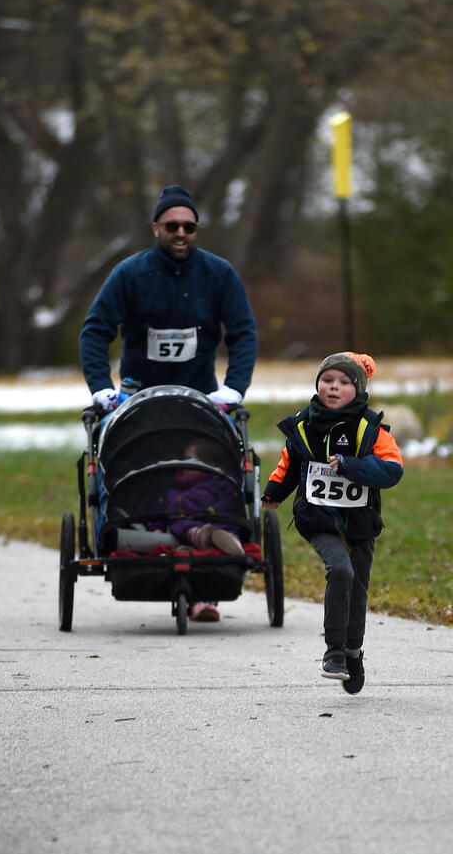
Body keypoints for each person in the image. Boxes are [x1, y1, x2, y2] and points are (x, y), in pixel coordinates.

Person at [80, 184, 258, 621]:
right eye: (172, 225)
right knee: (134, 469)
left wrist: (233, 389)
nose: (181, 233)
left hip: (201, 400)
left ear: (196, 229)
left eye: (189, 226)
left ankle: (208, 586)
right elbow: (95, 330)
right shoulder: (129, 274)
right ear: (156, 227)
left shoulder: (219, 274)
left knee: (208, 477)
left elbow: (243, 333)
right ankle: (132, 541)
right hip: (138, 400)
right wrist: (102, 389)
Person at [261, 352, 403, 693]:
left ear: (358, 389)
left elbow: (392, 470)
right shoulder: (304, 424)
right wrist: (272, 494)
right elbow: (289, 464)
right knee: (340, 571)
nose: (334, 388)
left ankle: (353, 652)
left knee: (357, 589)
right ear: (317, 384)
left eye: (343, 382)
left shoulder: (370, 428)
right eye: (328, 381)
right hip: (318, 517)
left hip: (360, 522)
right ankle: (334, 652)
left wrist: (353, 467)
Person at [160, 438, 246, 556]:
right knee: (178, 523)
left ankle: (230, 541)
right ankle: (204, 537)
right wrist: (157, 527)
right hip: (190, 523)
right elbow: (161, 511)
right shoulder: (175, 488)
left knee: (229, 521)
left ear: (210, 464)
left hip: (218, 519)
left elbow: (230, 503)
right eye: (183, 459)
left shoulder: (221, 482)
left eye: (189, 460)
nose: (183, 464)